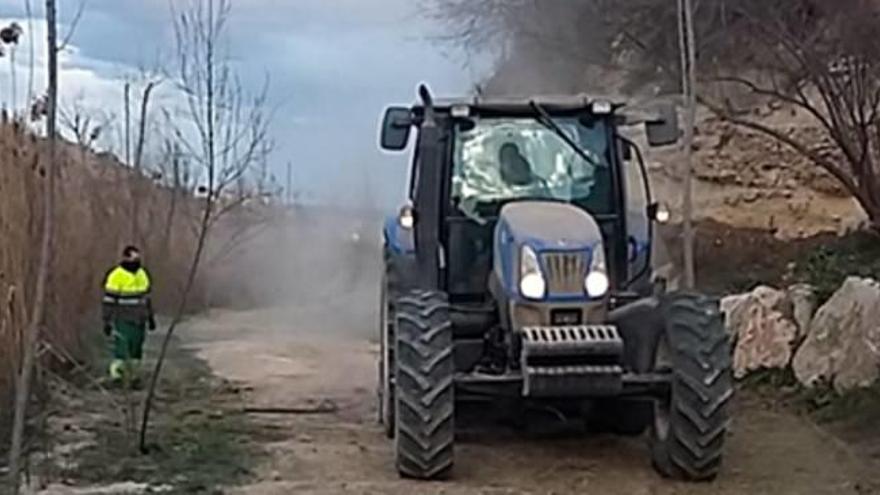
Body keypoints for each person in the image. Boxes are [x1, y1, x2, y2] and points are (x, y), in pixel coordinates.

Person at [102, 245, 156, 384]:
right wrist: (106, 321)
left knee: (136, 349)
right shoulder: (116, 275)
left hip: (139, 320)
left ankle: (134, 376)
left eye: (138, 258)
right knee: (122, 347)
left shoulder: (142, 274)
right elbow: (109, 300)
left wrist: (150, 317)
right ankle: (117, 377)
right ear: (125, 258)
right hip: (123, 318)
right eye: (133, 258)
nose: (136, 261)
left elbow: (146, 298)